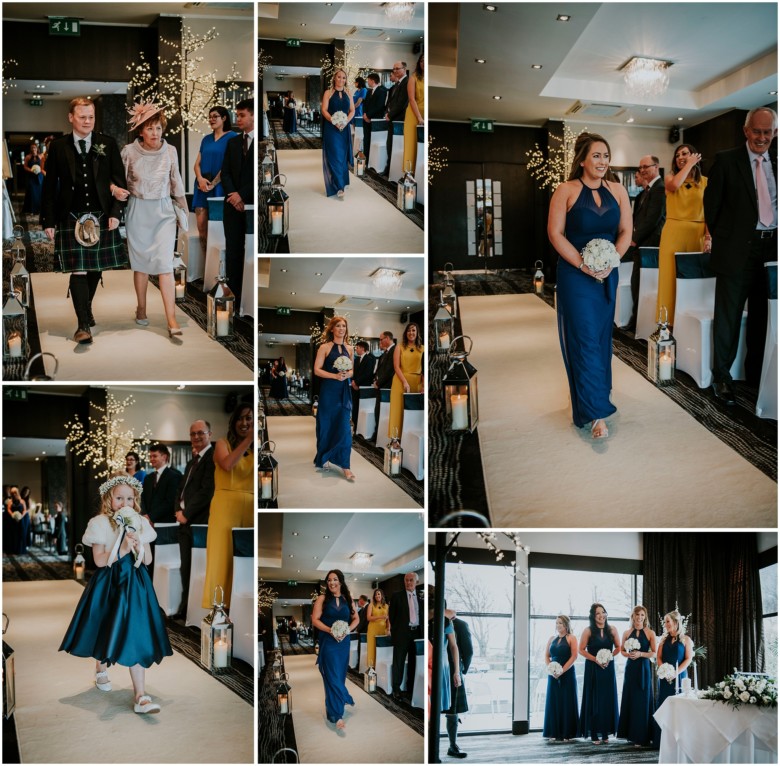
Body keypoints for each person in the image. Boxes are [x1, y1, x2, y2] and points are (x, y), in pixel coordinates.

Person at [59, 474, 172, 714]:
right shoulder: (99, 523)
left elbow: (149, 560)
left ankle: (141, 695)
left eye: (129, 499)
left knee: (137, 632)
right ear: (108, 499)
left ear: (135, 501)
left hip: (135, 583)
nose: (124, 503)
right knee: (104, 625)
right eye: (119, 498)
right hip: (109, 582)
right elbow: (100, 561)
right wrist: (121, 547)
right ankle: (101, 669)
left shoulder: (141, 522)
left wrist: (139, 545)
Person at [547, 132, 632, 440]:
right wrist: (584, 265)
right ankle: (596, 412)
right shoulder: (566, 190)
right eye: (596, 155)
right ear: (582, 159)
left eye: (606, 156)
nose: (602, 161)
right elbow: (556, 234)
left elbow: (625, 231)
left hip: (607, 275)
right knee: (583, 338)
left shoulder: (619, 190)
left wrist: (612, 260)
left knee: (599, 339)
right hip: (575, 276)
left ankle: (594, 395)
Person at [705, 107, 778, 405]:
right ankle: (722, 377)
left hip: (771, 249)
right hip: (737, 251)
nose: (762, 138)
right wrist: (729, 240)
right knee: (728, 317)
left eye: (768, 132)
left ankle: (756, 374)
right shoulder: (725, 160)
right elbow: (712, 208)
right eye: (757, 131)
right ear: (746, 131)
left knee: (765, 315)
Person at [41, 97, 128, 345]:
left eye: (91, 117)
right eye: (82, 117)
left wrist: (115, 213)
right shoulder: (58, 147)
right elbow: (50, 187)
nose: (88, 121)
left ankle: (86, 309)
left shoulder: (107, 144)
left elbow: (118, 182)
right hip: (71, 215)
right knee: (78, 266)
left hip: (101, 214)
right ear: (71, 117)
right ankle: (82, 326)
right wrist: (48, 220)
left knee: (94, 266)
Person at [116, 101, 188, 336]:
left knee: (165, 265)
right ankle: (141, 308)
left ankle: (171, 319)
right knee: (141, 265)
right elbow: (118, 181)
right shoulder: (128, 152)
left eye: (158, 128)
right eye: (150, 128)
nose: (155, 133)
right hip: (138, 211)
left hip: (164, 211)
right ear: (140, 131)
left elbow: (176, 181)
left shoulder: (170, 151)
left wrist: (183, 211)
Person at [201, 403, 254, 609]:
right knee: (222, 556)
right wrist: (249, 440)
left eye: (249, 418)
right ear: (233, 423)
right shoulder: (223, 444)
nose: (244, 423)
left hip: (250, 507)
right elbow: (227, 464)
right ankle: (219, 605)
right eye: (240, 418)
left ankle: (242, 606)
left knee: (245, 557)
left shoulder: (259, 446)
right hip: (225, 506)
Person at [657, 143, 710, 327]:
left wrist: (709, 237)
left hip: (697, 232)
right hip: (673, 232)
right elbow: (675, 185)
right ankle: (668, 323)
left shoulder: (705, 182)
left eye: (685, 153)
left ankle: (690, 322)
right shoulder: (670, 178)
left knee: (694, 279)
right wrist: (689, 163)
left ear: (694, 155)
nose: (680, 156)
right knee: (669, 278)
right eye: (678, 155)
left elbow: (710, 212)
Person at [174, 420, 215, 619]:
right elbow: (181, 489)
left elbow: (207, 491)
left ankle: (193, 608)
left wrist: (187, 513)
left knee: (197, 568)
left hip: (199, 522)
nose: (196, 437)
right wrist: (177, 510)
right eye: (193, 434)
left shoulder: (212, 457)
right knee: (185, 567)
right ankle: (185, 606)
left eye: (201, 433)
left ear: (209, 434)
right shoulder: (192, 460)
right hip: (184, 522)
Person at [311, 569, 360, 729]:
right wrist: (330, 630)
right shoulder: (322, 599)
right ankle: (339, 712)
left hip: (343, 643)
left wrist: (347, 630)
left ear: (341, 581)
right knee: (331, 676)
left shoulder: (348, 599)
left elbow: (356, 618)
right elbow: (315, 620)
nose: (332, 582)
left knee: (339, 676)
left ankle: (335, 710)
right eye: (329, 580)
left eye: (335, 579)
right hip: (329, 642)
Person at [624, 155, 666, 332]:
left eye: (645, 166)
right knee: (637, 284)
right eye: (640, 167)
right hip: (642, 244)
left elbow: (653, 220)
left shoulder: (659, 189)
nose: (642, 170)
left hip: (651, 244)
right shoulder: (645, 191)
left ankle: (640, 323)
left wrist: (633, 239)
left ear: (656, 167)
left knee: (643, 284)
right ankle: (637, 321)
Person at [221, 98, 254, 306]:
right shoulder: (232, 142)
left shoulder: (261, 141)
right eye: (237, 115)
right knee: (233, 250)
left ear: (253, 116)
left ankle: (249, 296)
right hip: (232, 205)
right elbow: (225, 173)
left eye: (242, 115)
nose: (237, 119)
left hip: (251, 204)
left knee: (251, 251)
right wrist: (233, 195)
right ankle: (234, 294)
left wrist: (241, 195)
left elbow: (258, 175)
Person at [313, 316, 355, 481]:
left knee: (344, 428)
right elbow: (317, 370)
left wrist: (346, 375)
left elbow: (352, 371)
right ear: (332, 329)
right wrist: (334, 376)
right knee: (326, 425)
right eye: (338, 326)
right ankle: (324, 456)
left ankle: (345, 466)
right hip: (329, 391)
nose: (341, 328)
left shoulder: (350, 349)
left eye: (344, 326)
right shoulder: (324, 347)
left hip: (343, 392)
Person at [192, 106, 236, 256]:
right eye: (209, 117)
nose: (211, 119)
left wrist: (213, 184)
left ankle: (220, 266)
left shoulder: (233, 137)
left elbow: (228, 165)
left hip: (220, 186)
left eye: (215, 116)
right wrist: (200, 179)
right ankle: (206, 265)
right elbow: (197, 163)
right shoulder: (206, 139)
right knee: (201, 226)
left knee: (219, 228)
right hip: (201, 185)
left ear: (224, 118)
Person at [578, 602, 620, 744]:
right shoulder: (588, 630)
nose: (601, 615)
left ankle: (605, 733)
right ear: (593, 616)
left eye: (603, 612)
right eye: (597, 613)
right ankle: (594, 733)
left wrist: (609, 657)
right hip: (593, 669)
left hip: (608, 668)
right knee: (594, 700)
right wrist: (596, 659)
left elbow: (619, 647)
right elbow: (581, 650)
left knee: (606, 700)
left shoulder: (612, 629)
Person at [427, 587, 462, 752]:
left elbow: (454, 647)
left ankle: (445, 747)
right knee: (429, 709)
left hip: (442, 667)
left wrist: (456, 672)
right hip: (427, 665)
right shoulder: (424, 620)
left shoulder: (446, 621)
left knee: (441, 708)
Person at [617, 605, 657, 747]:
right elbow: (621, 650)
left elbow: (654, 652)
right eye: (637, 615)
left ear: (645, 616)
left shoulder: (650, 633)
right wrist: (629, 654)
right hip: (631, 668)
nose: (639, 617)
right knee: (631, 699)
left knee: (643, 700)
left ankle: (643, 735)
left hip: (644, 668)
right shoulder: (627, 632)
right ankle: (631, 734)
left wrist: (640, 654)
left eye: (642, 615)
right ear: (633, 616)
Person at [653, 610, 693, 747]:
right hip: (665, 679)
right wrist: (663, 670)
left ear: (676, 622)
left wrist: (675, 673)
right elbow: (658, 657)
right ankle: (661, 740)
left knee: (679, 707)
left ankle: (678, 741)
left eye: (668, 622)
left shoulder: (686, 639)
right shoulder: (664, 640)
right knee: (664, 705)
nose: (665, 624)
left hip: (679, 677)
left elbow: (688, 659)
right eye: (665, 622)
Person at [542, 615, 579, 742]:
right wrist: (551, 669)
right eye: (557, 623)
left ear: (566, 625)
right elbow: (547, 656)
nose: (558, 626)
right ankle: (553, 731)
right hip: (553, 675)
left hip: (567, 673)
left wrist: (562, 670)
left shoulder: (571, 638)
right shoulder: (551, 638)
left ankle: (567, 733)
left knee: (566, 701)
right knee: (554, 701)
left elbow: (574, 656)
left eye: (561, 623)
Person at [388, 571, 422, 702]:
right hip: (402, 633)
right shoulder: (397, 596)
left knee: (414, 661)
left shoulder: (421, 596)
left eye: (411, 580)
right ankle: (396, 689)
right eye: (406, 580)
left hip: (417, 633)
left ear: (416, 582)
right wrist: (396, 631)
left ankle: (410, 687)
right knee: (399, 662)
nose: (408, 582)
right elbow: (392, 616)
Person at [443, 606, 473, 759]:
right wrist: (461, 670)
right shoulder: (457, 624)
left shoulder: (460, 625)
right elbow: (468, 651)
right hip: (446, 670)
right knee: (450, 711)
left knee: (451, 711)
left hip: (450, 670)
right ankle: (451, 745)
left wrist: (461, 671)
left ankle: (452, 745)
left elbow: (468, 652)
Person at [321, 69, 354, 199]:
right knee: (334, 155)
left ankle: (341, 181)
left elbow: (352, 110)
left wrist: (345, 122)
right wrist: (334, 121)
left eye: (344, 78)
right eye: (339, 77)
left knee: (342, 156)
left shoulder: (348, 93)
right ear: (334, 78)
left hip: (344, 128)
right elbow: (324, 110)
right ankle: (339, 187)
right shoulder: (328, 93)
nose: (341, 80)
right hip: (332, 128)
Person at [388, 322, 424, 439]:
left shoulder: (422, 349)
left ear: (417, 332)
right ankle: (396, 438)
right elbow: (396, 367)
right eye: (409, 330)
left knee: (413, 411)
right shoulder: (400, 347)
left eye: (413, 330)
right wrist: (404, 382)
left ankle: (410, 438)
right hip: (400, 380)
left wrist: (423, 384)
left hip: (417, 381)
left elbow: (424, 368)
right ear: (405, 333)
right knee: (398, 410)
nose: (411, 333)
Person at [141, 444, 181, 526]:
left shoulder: (174, 476)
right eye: (150, 456)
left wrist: (151, 517)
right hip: (147, 522)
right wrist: (145, 517)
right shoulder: (148, 478)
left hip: (165, 523)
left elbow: (170, 502)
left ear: (164, 457)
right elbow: (143, 498)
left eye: (154, 456)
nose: (151, 459)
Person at [383, 61, 409, 177]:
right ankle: (389, 169)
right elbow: (392, 101)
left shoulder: (406, 82)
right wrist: (387, 112)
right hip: (392, 118)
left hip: (399, 119)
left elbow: (402, 103)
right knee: (390, 145)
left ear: (404, 69)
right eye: (394, 69)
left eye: (397, 68)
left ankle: (393, 171)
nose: (395, 71)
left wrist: (390, 114)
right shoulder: (397, 84)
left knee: (395, 146)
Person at [402, 55, 425, 175]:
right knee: (412, 144)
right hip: (413, 113)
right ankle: (409, 174)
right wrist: (419, 117)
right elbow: (411, 99)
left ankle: (421, 174)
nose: (424, 62)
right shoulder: (414, 77)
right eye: (422, 60)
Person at [372, 331, 396, 442]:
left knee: (383, 412)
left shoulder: (394, 350)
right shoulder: (385, 353)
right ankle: (377, 434)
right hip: (381, 386)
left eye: (381, 339)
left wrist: (378, 382)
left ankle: (380, 436)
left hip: (387, 387)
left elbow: (390, 370)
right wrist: (375, 379)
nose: (380, 341)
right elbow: (380, 370)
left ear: (387, 338)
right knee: (378, 411)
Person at [362, 72, 388, 166]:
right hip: (366, 120)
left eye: (368, 80)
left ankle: (372, 162)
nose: (367, 82)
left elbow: (379, 106)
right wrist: (365, 114)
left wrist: (369, 116)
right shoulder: (368, 91)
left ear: (372, 80)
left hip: (375, 120)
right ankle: (366, 160)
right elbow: (365, 104)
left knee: (373, 141)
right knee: (366, 140)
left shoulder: (382, 91)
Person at [351, 340, 376, 431]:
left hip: (363, 387)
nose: (356, 349)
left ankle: (360, 427)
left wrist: (357, 383)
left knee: (361, 407)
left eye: (357, 348)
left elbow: (368, 374)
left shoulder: (369, 359)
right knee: (355, 407)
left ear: (362, 348)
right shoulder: (357, 359)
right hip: (354, 386)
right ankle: (354, 426)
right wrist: (353, 382)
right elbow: (354, 372)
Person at [366, 588, 390, 668]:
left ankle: (380, 666)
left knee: (381, 648)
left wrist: (388, 629)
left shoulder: (386, 606)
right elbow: (368, 618)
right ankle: (371, 666)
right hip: (373, 628)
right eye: (376, 594)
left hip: (382, 629)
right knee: (372, 647)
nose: (377, 596)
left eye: (378, 594)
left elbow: (388, 620)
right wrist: (380, 617)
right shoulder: (371, 605)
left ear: (382, 595)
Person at [4, 485, 29, 554]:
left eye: (15, 493)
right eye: (12, 493)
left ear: (17, 493)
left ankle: (20, 550)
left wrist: (21, 516)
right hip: (13, 520)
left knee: (21, 534)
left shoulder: (22, 501)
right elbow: (8, 509)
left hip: (21, 520)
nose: (14, 494)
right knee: (14, 535)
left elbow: (25, 510)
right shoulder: (10, 502)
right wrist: (12, 515)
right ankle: (13, 550)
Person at [22, 142, 44, 215]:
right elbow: (25, 166)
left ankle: (39, 210)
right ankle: (31, 210)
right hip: (31, 177)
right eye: (32, 147)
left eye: (34, 147)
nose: (33, 149)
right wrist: (31, 170)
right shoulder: (28, 157)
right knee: (32, 193)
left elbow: (42, 166)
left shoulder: (41, 156)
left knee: (39, 193)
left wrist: (40, 170)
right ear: (30, 149)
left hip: (39, 177)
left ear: (37, 148)